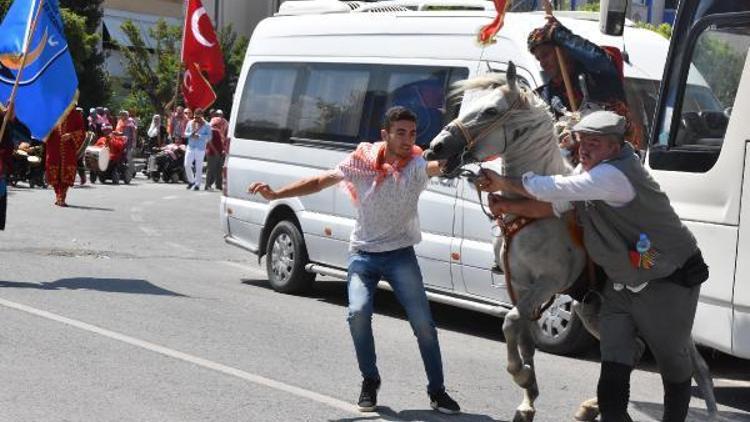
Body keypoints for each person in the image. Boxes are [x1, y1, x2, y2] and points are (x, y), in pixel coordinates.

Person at [476, 111, 708, 422]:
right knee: (613, 370)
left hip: (668, 280)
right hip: (621, 288)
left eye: (593, 143)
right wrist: (506, 205)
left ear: (614, 147)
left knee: (674, 364)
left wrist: (505, 182)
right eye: (580, 141)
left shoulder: (612, 175)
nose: (583, 149)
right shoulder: (590, 175)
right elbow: (553, 207)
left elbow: (556, 189)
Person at [247, 106, 461, 415]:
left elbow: (440, 165)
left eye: (412, 134)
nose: (407, 140)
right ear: (384, 135)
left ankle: (437, 391)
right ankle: (370, 381)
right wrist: (277, 193)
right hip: (363, 254)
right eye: (400, 133)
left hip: (401, 254)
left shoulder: (416, 164)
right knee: (358, 313)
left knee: (424, 325)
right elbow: (321, 180)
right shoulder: (361, 162)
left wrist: (472, 150)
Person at [527, 15, 643, 152]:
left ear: (564, 51)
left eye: (546, 55)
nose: (542, 63)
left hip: (614, 163)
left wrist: (560, 35)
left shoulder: (598, 76)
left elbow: (598, 60)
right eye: (538, 58)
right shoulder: (545, 96)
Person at [45, 108, 86, 206]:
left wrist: (71, 135)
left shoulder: (75, 114)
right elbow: (43, 128)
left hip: (68, 149)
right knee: (53, 172)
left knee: (67, 172)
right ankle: (58, 195)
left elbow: (82, 132)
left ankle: (61, 197)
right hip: (53, 147)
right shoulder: (52, 112)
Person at [183, 108, 210, 191]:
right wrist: (190, 134)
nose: (196, 119)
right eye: (195, 117)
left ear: (202, 116)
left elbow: (209, 136)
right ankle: (191, 181)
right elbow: (185, 133)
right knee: (187, 164)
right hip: (190, 146)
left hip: (200, 148)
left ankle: (197, 184)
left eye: (198, 117)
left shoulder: (207, 125)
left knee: (198, 167)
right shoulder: (190, 123)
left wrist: (200, 136)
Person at [204, 117, 225, 191]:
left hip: (219, 153)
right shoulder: (212, 130)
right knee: (211, 170)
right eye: (219, 123)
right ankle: (208, 185)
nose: (221, 124)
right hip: (212, 153)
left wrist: (223, 150)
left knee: (219, 170)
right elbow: (209, 142)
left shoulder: (219, 131)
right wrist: (215, 151)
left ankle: (218, 185)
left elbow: (221, 142)